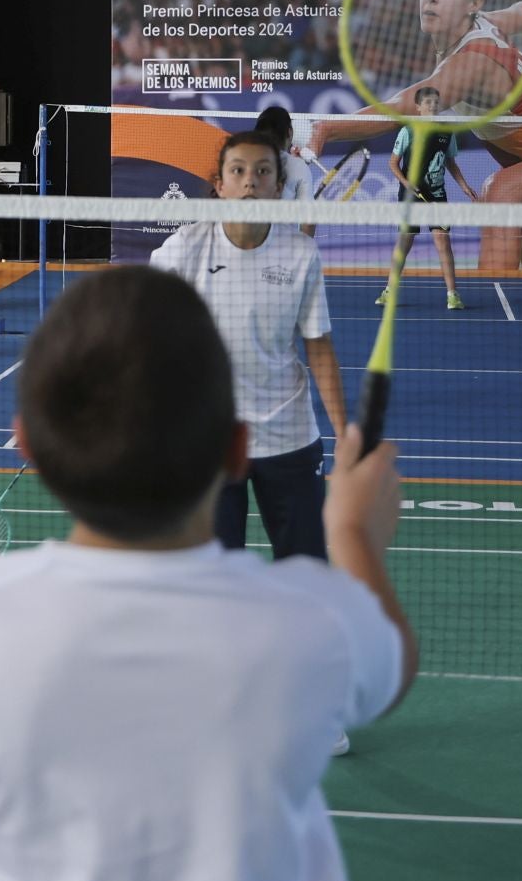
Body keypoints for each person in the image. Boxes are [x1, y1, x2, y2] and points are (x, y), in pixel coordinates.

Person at [0, 266, 414, 881]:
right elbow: (392, 666)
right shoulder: (312, 621)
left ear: (28, 444)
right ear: (239, 452)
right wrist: (351, 532)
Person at [307, 0, 522, 271]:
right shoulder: (485, 22)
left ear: (473, 4)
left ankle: (491, 319)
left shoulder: (472, 62)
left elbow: (406, 105)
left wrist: (326, 128)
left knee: (501, 192)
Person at [151, 132, 347, 565]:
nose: (250, 182)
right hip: (210, 441)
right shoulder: (185, 249)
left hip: (289, 437)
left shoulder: (301, 254)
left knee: (306, 571)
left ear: (279, 187)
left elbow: (319, 348)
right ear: (219, 184)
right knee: (214, 578)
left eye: (263, 172)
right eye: (237, 171)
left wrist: (345, 434)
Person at [383, 85, 479, 310]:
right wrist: (405, 182)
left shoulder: (446, 132)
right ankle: (389, 291)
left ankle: (452, 294)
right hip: (410, 195)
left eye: (436, 102)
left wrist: (464, 186)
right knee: (404, 243)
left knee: (443, 242)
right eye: (428, 103)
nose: (433, 106)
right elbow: (393, 163)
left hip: (437, 194)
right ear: (418, 108)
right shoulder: (408, 131)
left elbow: (450, 162)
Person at [255, 104, 312, 201]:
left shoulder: (241, 162)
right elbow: (307, 211)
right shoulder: (299, 167)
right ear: (290, 132)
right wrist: (296, 165)